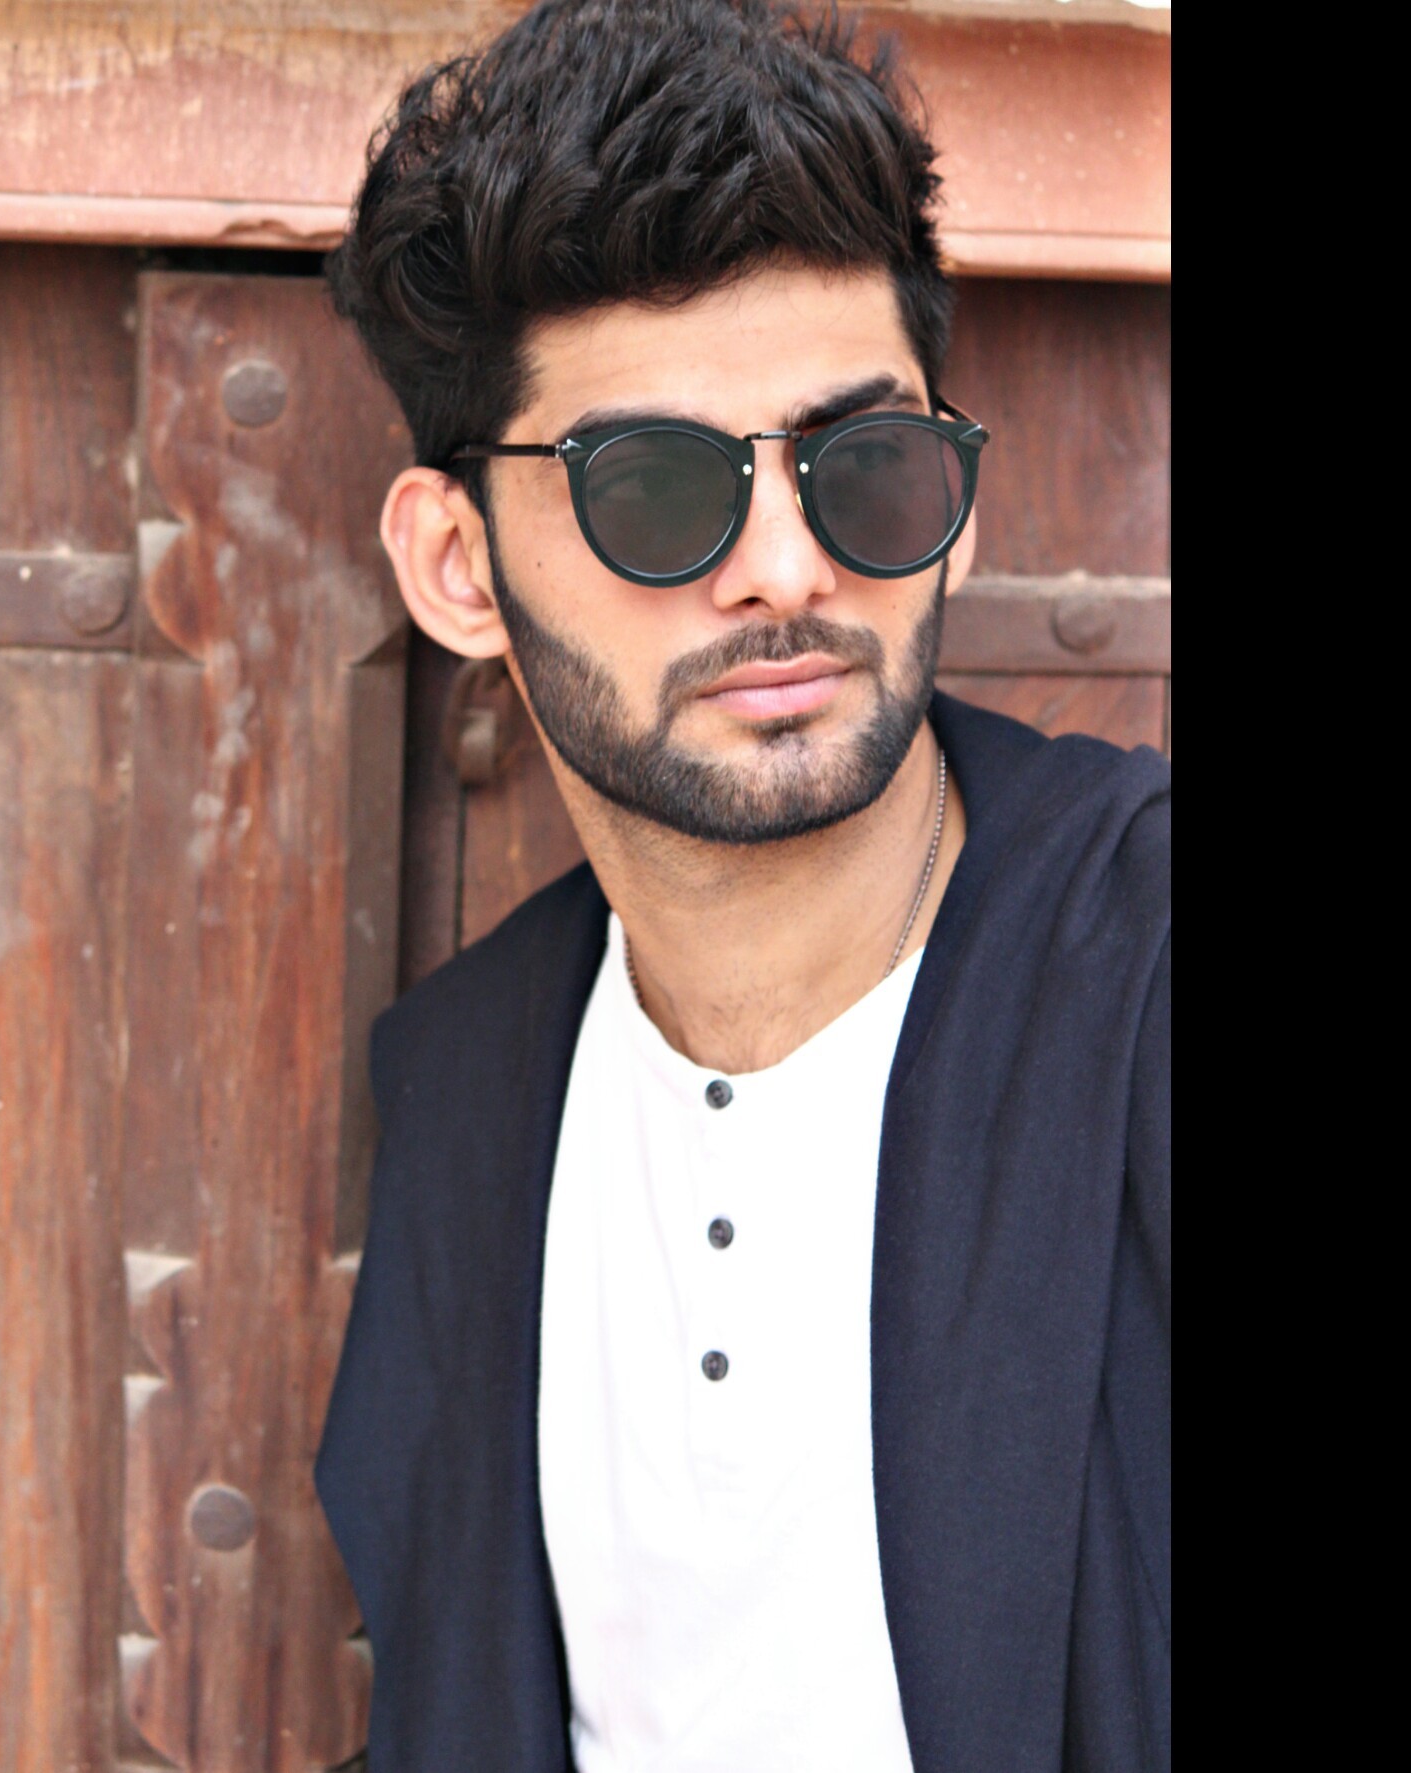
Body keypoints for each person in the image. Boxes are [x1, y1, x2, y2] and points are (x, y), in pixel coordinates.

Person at [314, 3, 1170, 1769]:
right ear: (458, 565)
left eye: (864, 466)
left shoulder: (1142, 973)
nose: (784, 568)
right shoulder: (469, 1086)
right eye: (653, 487)